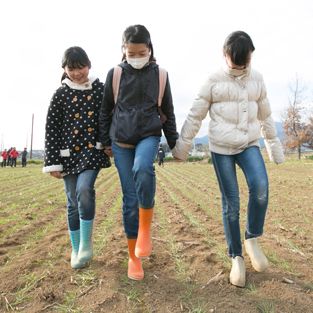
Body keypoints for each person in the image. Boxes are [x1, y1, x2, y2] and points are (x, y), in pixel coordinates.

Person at [172, 31, 285, 287]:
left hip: (248, 143)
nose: (242, 67)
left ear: (251, 56)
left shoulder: (257, 79)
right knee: (231, 203)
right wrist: (182, 149)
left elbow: (266, 116)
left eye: (246, 62)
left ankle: (252, 239)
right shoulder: (213, 80)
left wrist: (273, 148)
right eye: (237, 63)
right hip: (221, 148)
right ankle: (237, 257)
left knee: (260, 188)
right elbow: (194, 116)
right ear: (224, 55)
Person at [99, 25, 178, 281]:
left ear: (150, 49)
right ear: (124, 51)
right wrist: (105, 143)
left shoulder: (161, 75)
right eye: (131, 53)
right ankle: (134, 257)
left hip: (148, 135)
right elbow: (105, 111)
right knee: (129, 200)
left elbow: (167, 112)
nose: (136, 57)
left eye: (141, 52)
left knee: (143, 169)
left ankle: (145, 230)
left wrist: (175, 143)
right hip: (121, 141)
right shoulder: (115, 74)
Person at [43, 46, 111, 269]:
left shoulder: (99, 89)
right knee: (72, 202)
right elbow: (52, 128)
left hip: (92, 150)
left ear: (88, 65)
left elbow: (107, 117)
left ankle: (87, 244)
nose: (77, 72)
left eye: (80, 67)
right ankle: (76, 249)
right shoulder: (60, 94)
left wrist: (107, 143)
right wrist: (52, 161)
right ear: (64, 69)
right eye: (71, 68)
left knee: (83, 190)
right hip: (67, 154)